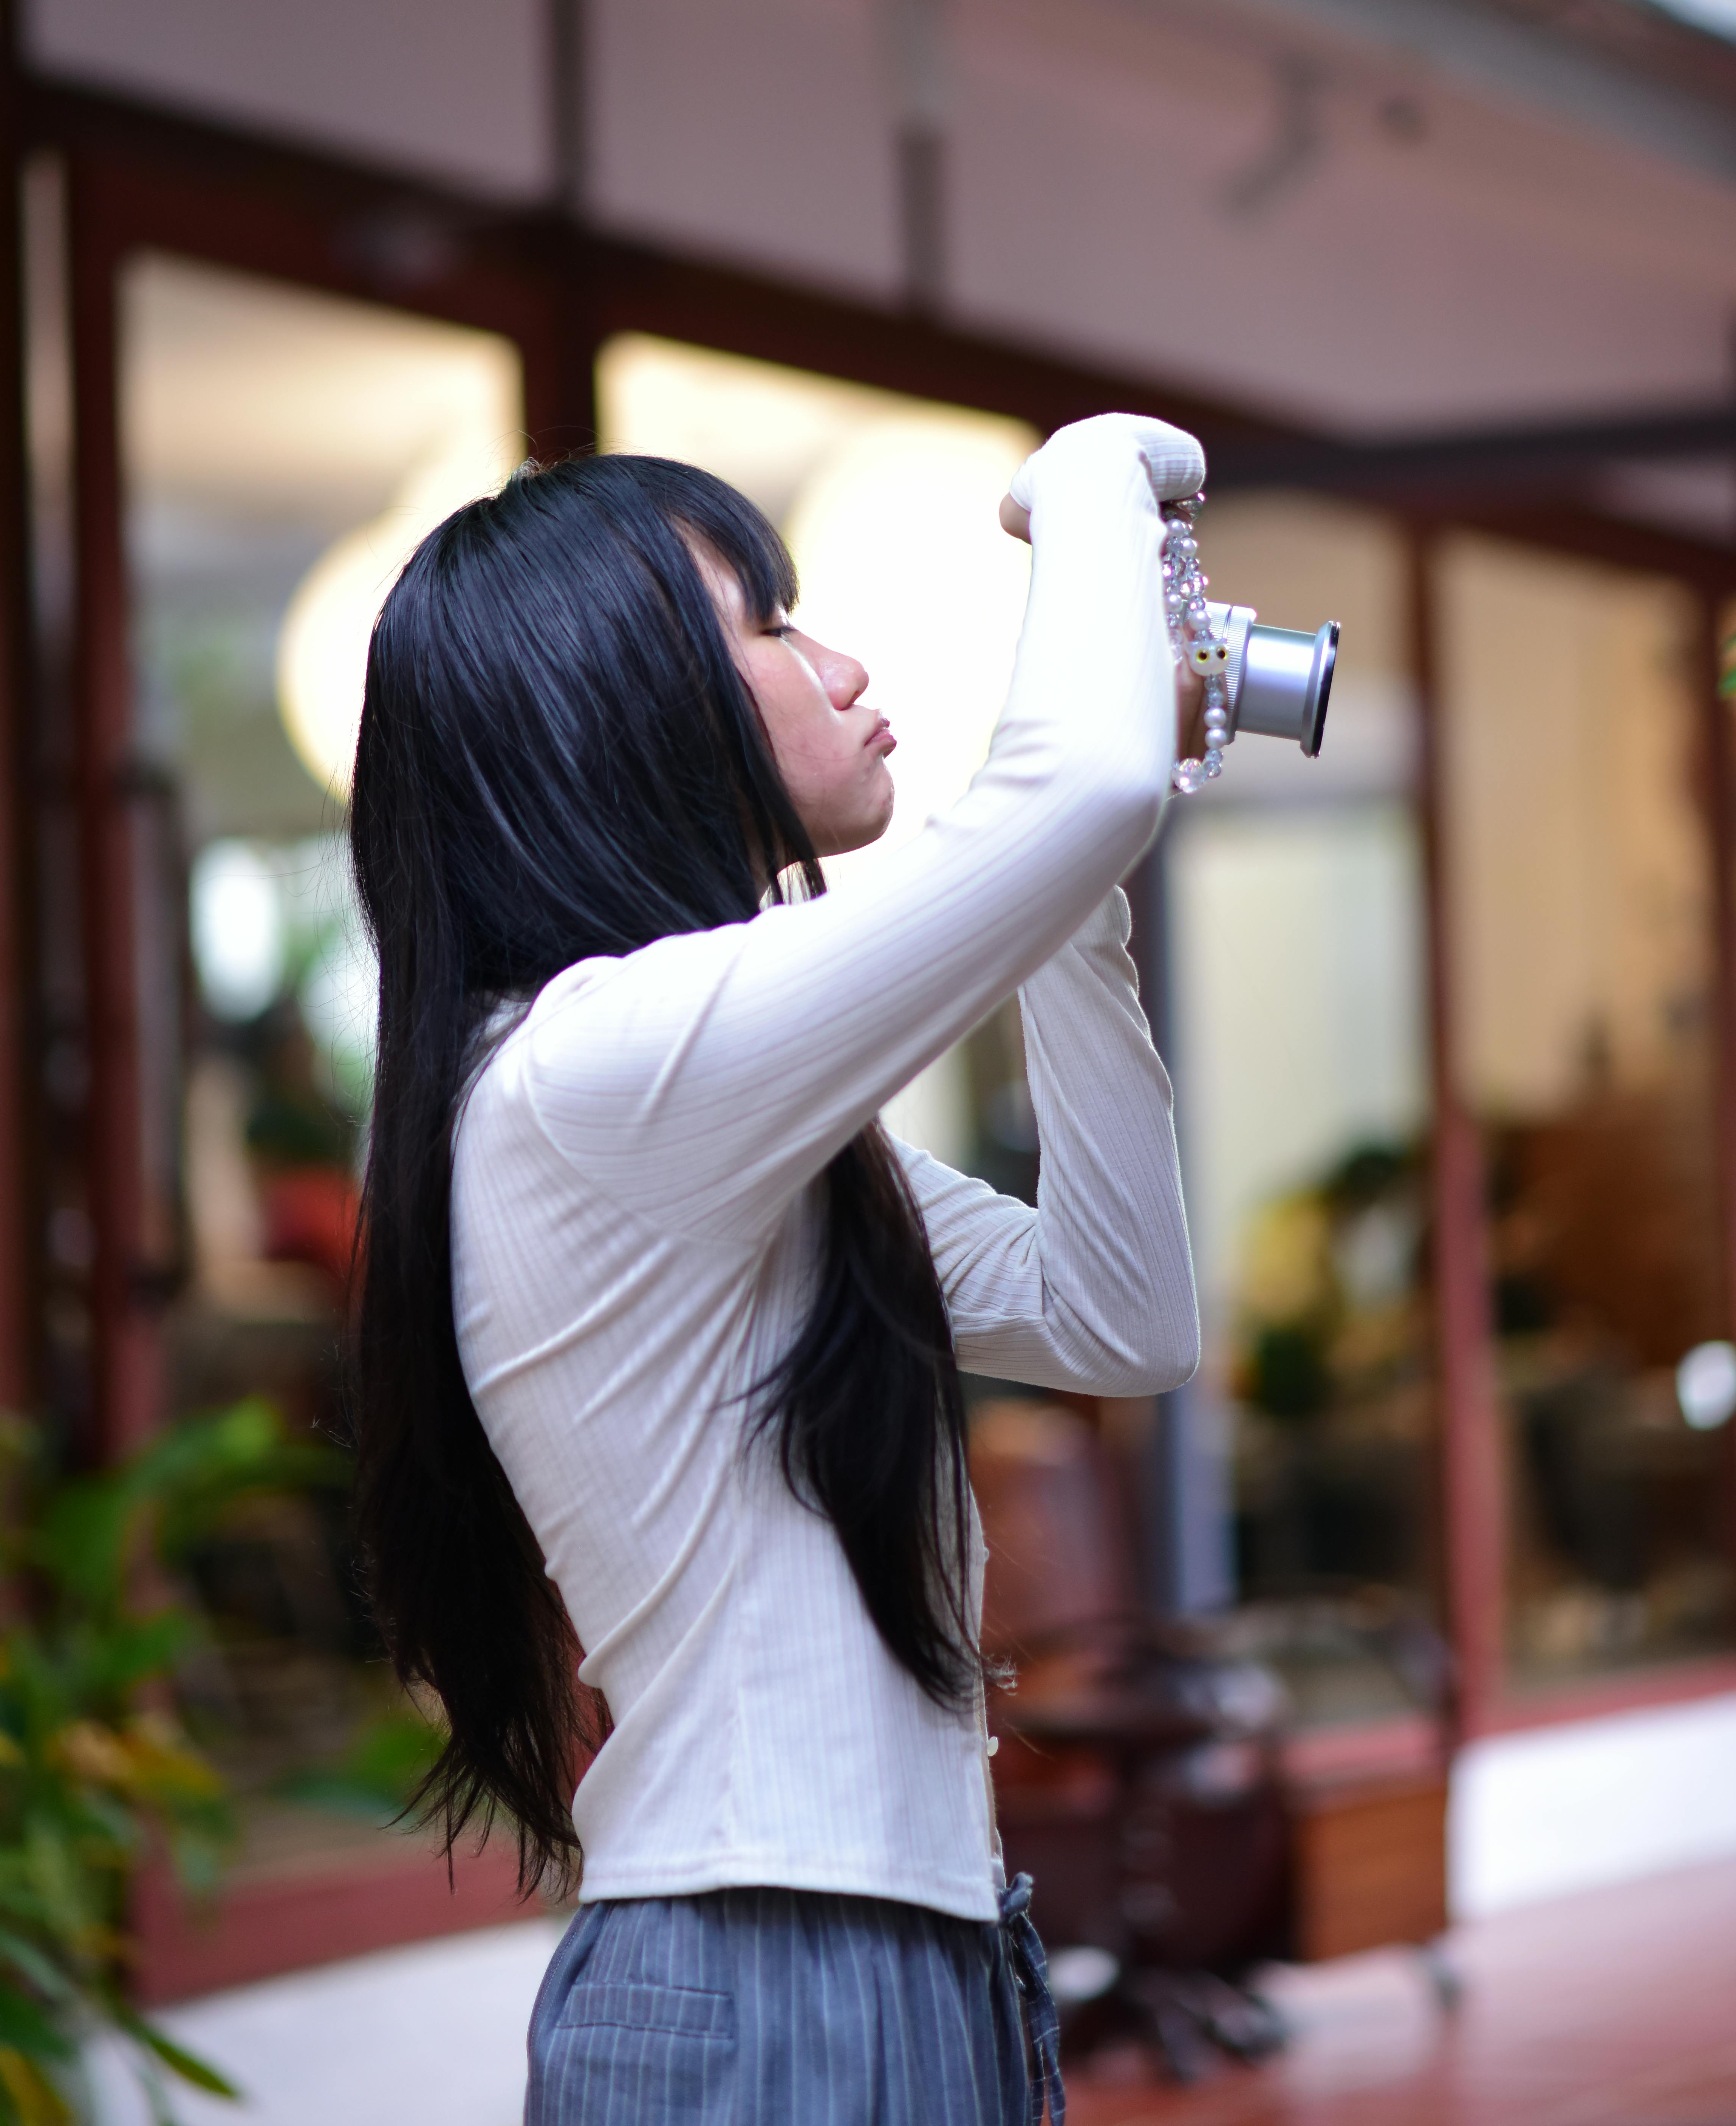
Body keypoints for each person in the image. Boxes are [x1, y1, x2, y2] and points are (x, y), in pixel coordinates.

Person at [348, 413, 1201, 2126]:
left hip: (905, 1955)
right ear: (624, 709)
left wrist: (1079, 911)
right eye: (773, 621)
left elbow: (1120, 1314)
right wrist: (1094, 467)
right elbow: (1084, 779)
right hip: (766, 1979)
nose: (842, 662)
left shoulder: (723, 1122)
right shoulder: (595, 1073)